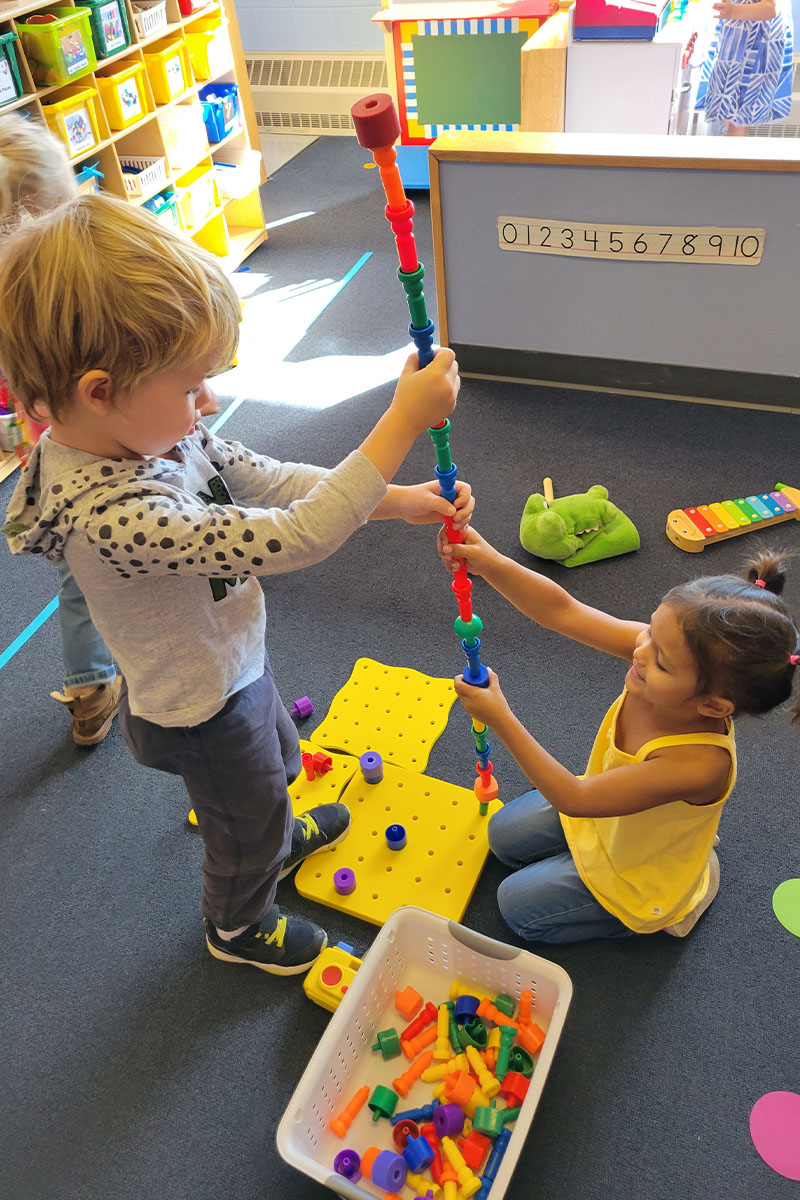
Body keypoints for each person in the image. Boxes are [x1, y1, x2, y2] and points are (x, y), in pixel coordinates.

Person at [1, 194, 468, 975]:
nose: (208, 404)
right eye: (192, 388)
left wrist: (399, 501)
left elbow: (275, 480)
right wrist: (401, 424)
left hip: (234, 663)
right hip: (198, 710)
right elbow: (299, 534)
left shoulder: (160, 433)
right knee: (242, 822)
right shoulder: (115, 515)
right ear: (98, 391)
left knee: (281, 764)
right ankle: (239, 923)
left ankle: (278, 836)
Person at [439, 529, 799, 942]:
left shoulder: (700, 764)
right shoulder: (658, 656)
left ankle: (684, 898)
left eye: (661, 662)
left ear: (714, 706)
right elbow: (563, 611)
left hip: (637, 867)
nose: (640, 650)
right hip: (605, 816)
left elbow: (575, 799)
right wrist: (491, 563)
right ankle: (673, 854)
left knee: (516, 908)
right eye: (648, 630)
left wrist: (499, 717)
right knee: (502, 837)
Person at [0, 114, 120, 744]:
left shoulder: (11, 288)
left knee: (79, 564)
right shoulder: (64, 290)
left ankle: (90, 685)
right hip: (88, 451)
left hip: (43, 456)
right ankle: (94, 682)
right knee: (90, 569)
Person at [695, 0, 793, 135]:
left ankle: (730, 153)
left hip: (754, 45)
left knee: (738, 116)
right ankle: (731, 147)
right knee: (732, 113)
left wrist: (731, 11)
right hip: (741, 38)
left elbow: (770, 8)